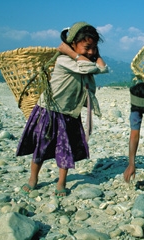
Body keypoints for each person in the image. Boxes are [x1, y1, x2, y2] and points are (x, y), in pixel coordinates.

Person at [17, 22, 109, 197]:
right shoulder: (64, 60)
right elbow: (91, 68)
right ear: (72, 43)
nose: (91, 52)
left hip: (69, 113)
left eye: (94, 48)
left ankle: (61, 182)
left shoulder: (77, 58)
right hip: (49, 111)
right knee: (41, 147)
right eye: (87, 47)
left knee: (65, 148)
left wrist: (89, 54)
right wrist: (71, 53)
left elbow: (103, 68)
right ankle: (33, 178)